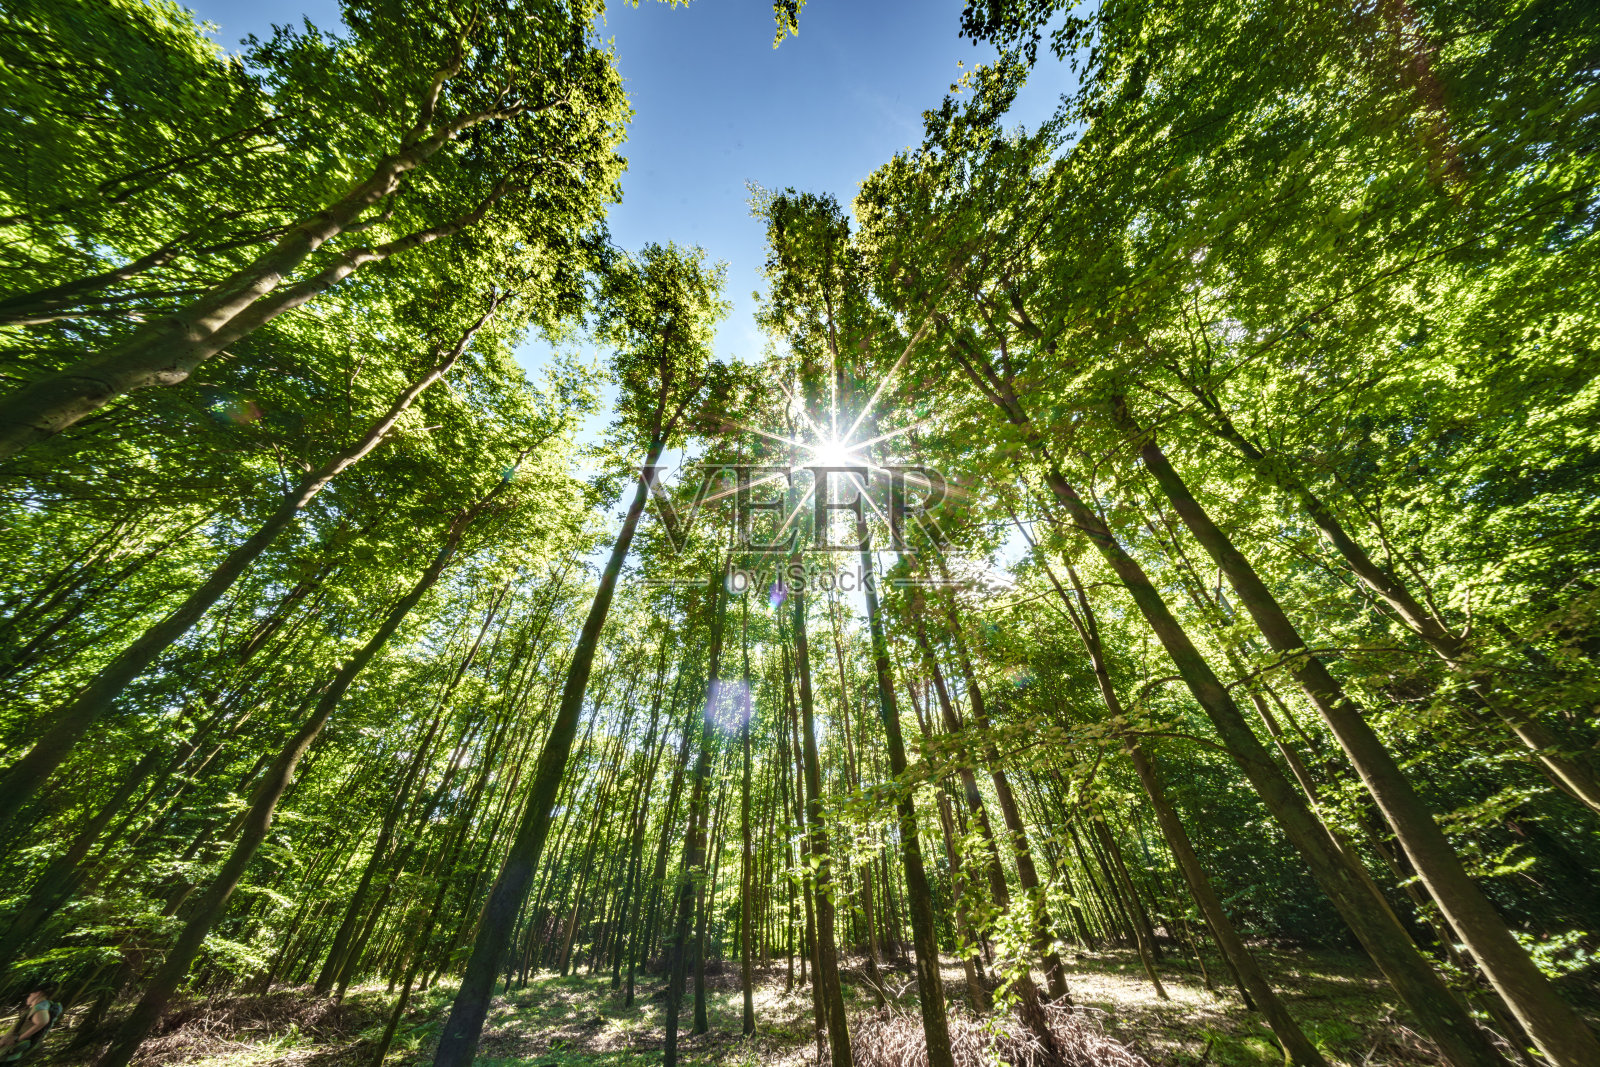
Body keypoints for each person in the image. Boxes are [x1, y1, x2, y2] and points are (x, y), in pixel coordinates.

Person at [0, 984, 60, 1063]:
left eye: (30, 995)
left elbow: (43, 1021)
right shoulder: (40, 1006)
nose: (28, 997)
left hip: (8, 1053)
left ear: (38, 993)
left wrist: (17, 1039)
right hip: (8, 1051)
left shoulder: (40, 1008)